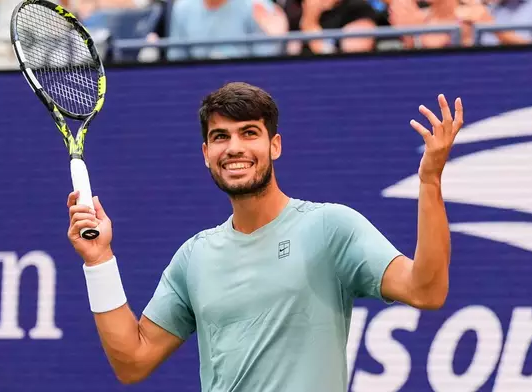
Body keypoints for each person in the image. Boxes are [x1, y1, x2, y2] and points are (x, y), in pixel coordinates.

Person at [66, 82, 464, 391]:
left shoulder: (330, 227)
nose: (234, 148)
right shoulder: (194, 257)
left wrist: (429, 180)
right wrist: (99, 261)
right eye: (221, 137)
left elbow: (427, 291)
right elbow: (132, 361)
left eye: (249, 133)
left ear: (274, 146)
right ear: (206, 152)